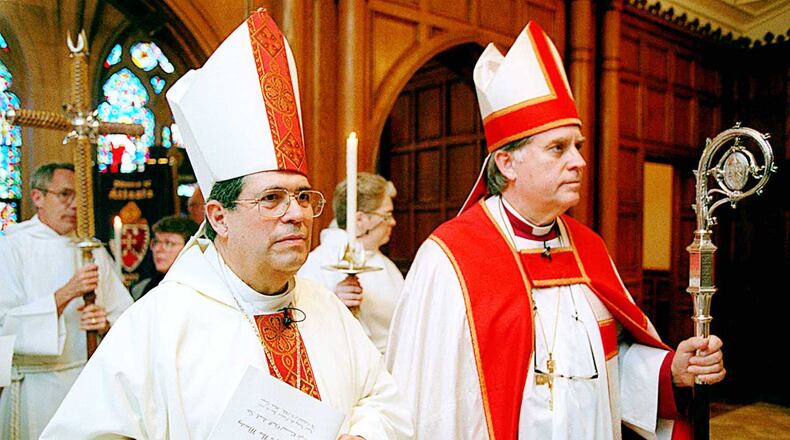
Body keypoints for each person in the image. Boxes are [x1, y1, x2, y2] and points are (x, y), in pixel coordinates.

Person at [42, 9, 411, 440]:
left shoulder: (326, 307)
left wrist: (363, 435)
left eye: (303, 196)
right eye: (272, 198)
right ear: (220, 217)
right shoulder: (162, 323)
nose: (296, 213)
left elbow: (382, 399)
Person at [386, 21, 725, 439]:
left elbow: (608, 360)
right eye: (558, 148)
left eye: (577, 146)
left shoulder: (588, 248)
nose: (579, 161)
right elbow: (432, 398)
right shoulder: (450, 257)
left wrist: (671, 369)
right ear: (507, 163)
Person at [0, 162, 133, 440]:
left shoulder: (91, 250)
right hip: (34, 388)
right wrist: (65, 294)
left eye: (79, 197)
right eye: (65, 195)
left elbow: (128, 318)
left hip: (86, 382)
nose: (74, 205)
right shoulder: (10, 247)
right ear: (38, 197)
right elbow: (4, 327)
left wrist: (105, 323)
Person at [298, 173, 403, 354]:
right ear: (360, 220)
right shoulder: (317, 264)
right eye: (387, 215)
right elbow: (306, 325)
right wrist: (335, 304)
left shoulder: (384, 262)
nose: (392, 222)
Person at [130, 215, 198, 301]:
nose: (157, 249)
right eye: (156, 242)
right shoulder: (142, 289)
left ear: (189, 247)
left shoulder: (201, 290)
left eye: (169, 243)